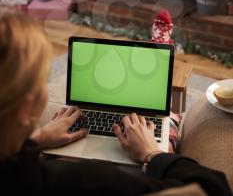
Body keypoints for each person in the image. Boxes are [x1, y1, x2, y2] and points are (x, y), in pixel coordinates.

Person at [0, 11, 231, 196]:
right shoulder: (86, 180)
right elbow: (213, 187)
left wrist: (37, 140)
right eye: (43, 78)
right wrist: (151, 153)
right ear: (24, 111)